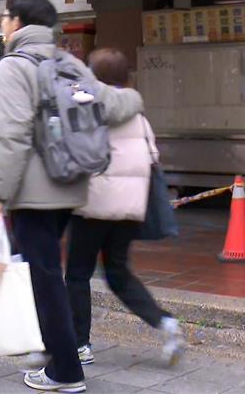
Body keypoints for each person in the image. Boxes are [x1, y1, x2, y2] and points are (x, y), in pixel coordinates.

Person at [0, 0, 143, 393]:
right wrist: (136, 98)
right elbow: (109, 103)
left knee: (45, 278)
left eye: (4, 18)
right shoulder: (68, 63)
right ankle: (49, 349)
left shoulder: (14, 67)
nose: (2, 25)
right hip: (71, 185)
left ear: (16, 22)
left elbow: (8, 135)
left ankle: (65, 371)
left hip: (33, 193)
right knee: (47, 273)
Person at [65, 48, 184, 368]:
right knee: (117, 273)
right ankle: (165, 323)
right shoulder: (138, 115)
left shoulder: (87, 106)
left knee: (77, 274)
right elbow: (152, 158)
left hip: (92, 207)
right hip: (130, 210)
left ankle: (79, 345)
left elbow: (75, 153)